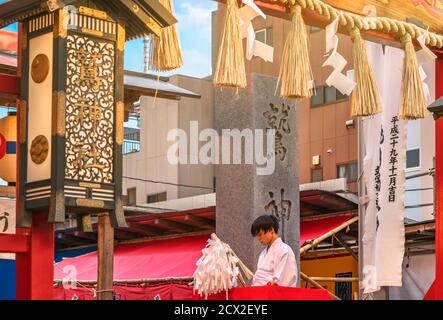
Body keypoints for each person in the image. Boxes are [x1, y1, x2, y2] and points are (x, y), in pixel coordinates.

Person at [250, 215, 298, 287]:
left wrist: (270, 285)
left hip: (274, 294)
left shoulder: (284, 250)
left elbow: (282, 281)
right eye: (257, 236)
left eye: (260, 234)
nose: (259, 238)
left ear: (271, 230)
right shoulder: (262, 254)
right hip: (259, 292)